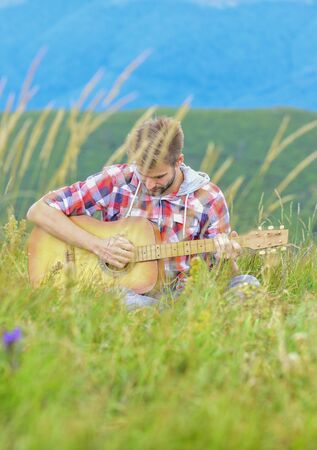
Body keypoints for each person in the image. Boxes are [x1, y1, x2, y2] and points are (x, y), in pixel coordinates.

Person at [27, 116, 259, 310]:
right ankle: (161, 322)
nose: (148, 184)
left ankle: (170, 320)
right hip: (127, 294)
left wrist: (228, 258)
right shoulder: (117, 181)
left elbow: (224, 276)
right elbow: (39, 210)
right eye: (142, 173)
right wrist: (97, 245)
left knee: (248, 286)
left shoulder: (209, 198)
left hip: (186, 296)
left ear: (179, 161)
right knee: (124, 302)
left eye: (158, 177)